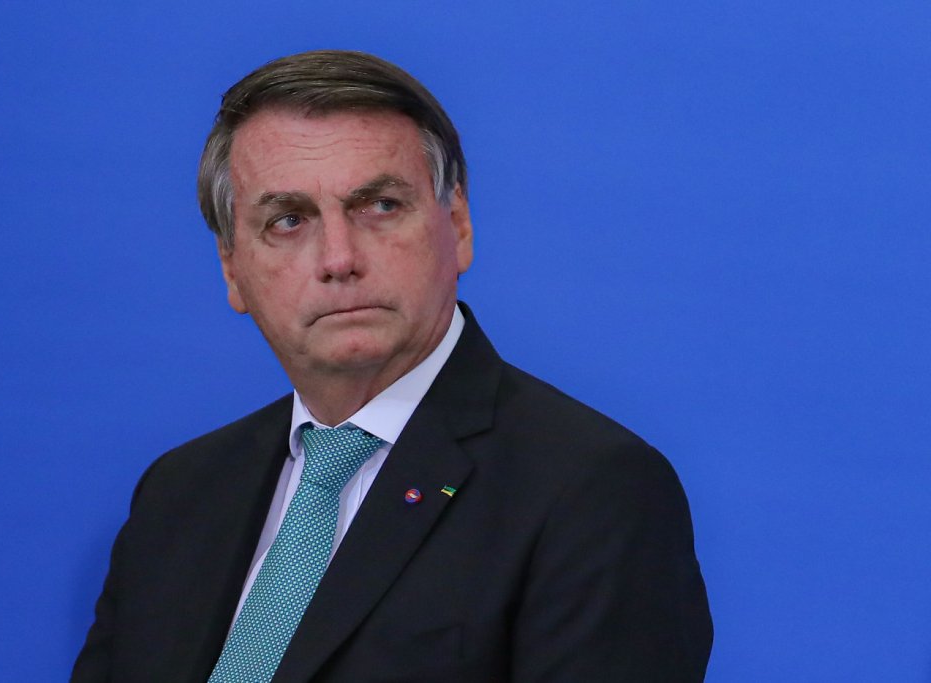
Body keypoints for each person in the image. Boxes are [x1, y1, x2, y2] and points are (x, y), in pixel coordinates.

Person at [72, 50, 712, 682]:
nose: (339, 258)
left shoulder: (593, 491)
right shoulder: (178, 494)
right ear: (232, 269)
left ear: (457, 225)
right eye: (288, 220)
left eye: (379, 206)